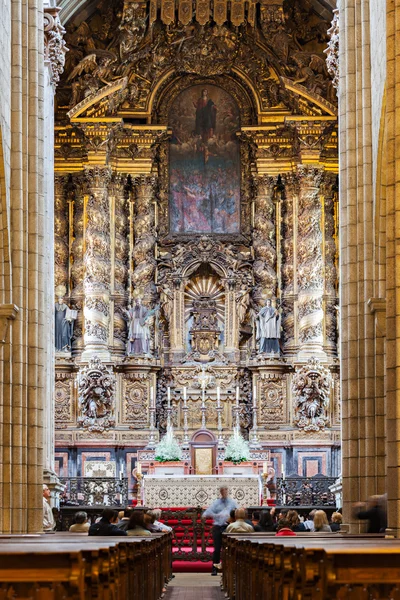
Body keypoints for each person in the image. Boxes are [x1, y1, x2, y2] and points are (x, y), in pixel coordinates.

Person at [203, 486, 237, 576]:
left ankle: (229, 567)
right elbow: (206, 513)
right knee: (217, 549)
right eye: (222, 491)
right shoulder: (216, 503)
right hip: (218, 527)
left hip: (228, 527)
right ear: (220, 492)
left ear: (227, 491)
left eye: (225, 490)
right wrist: (216, 515)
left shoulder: (232, 502)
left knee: (229, 548)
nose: (224, 492)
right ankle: (214, 568)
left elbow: (237, 512)